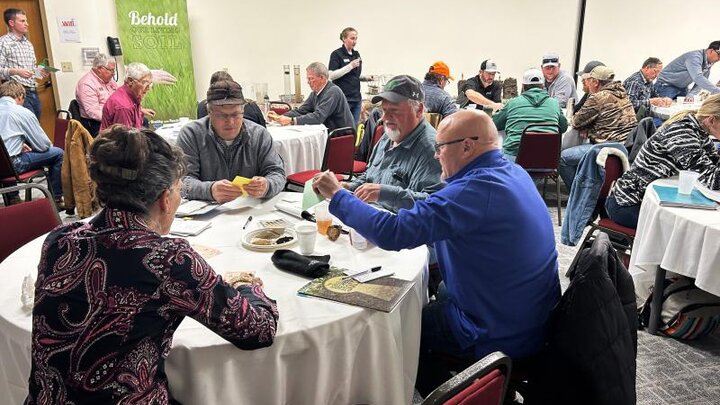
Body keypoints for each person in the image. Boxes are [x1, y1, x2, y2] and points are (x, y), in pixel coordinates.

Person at [312, 110, 560, 396]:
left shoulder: (473, 190)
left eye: (440, 147)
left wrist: (338, 195)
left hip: (497, 329)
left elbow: (393, 233)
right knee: (436, 290)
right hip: (532, 313)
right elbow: (440, 206)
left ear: (467, 145)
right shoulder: (510, 171)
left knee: (399, 332)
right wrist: (386, 193)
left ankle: (461, 397)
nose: (436, 155)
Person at [25, 125, 279, 404]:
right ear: (164, 199)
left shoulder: (59, 240)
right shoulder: (168, 259)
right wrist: (245, 285)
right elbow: (257, 330)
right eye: (179, 190)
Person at [607, 93, 720, 228]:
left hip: (648, 196)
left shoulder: (699, 132)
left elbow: (713, 166)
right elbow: (713, 180)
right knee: (685, 231)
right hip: (630, 202)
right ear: (712, 120)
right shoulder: (682, 134)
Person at [345, 75, 443, 212]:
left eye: (394, 111)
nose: (384, 118)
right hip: (371, 215)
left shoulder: (431, 149)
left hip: (399, 226)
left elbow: (434, 205)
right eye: (384, 110)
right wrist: (349, 187)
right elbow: (369, 176)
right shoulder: (389, 136)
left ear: (419, 110)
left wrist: (384, 193)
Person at [177, 80, 285, 202]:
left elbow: (277, 173)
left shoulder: (259, 135)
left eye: (235, 114)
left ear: (243, 111)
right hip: (207, 212)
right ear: (209, 113)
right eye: (221, 116)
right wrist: (210, 190)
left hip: (250, 209)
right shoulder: (191, 134)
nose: (230, 122)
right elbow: (181, 182)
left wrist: (267, 185)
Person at [559, 66, 637, 190]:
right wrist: (590, 127)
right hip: (625, 147)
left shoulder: (598, 97)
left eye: (589, 80)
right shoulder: (623, 93)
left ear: (596, 82)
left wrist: (587, 127)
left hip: (605, 148)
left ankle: (579, 194)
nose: (586, 83)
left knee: (562, 158)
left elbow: (576, 121)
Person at [0, 80, 63, 206]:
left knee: (6, 158)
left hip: (2, 165)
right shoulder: (21, 112)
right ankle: (55, 199)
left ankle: (13, 198)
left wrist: (18, 144)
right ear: (20, 97)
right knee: (58, 153)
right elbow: (43, 145)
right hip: (13, 165)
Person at [493, 68, 567, 161]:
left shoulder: (512, 103)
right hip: (547, 159)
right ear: (542, 86)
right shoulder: (554, 103)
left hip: (515, 158)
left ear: (523, 86)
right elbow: (563, 127)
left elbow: (495, 124)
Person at [268, 62, 355, 132]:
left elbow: (319, 117)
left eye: (311, 79)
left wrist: (292, 120)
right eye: (308, 79)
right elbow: (301, 111)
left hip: (342, 136)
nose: (308, 82)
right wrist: (280, 116)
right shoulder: (315, 93)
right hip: (329, 134)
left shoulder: (333, 91)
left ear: (322, 78)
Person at [0, 8, 49, 119]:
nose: (27, 24)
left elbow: (31, 70)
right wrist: (16, 71)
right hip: (15, 93)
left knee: (35, 125)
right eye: (22, 21)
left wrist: (40, 72)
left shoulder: (28, 44)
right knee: (26, 126)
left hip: (32, 91)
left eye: (26, 21)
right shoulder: (3, 43)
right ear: (11, 23)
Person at [197, 70, 266, 127]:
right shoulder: (251, 106)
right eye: (220, 115)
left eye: (235, 114)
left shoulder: (202, 106)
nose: (230, 122)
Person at [655, 41, 720, 100]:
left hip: (682, 88)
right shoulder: (694, 57)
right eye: (719, 55)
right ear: (711, 51)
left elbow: (701, 82)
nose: (719, 59)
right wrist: (717, 91)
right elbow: (698, 78)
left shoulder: (708, 64)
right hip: (665, 86)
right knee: (662, 110)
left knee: (682, 110)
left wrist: (691, 94)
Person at [100, 62, 154, 131]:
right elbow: (126, 139)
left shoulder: (130, 96)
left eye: (150, 84)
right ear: (130, 81)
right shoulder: (124, 107)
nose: (148, 88)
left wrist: (140, 112)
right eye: (145, 83)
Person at [75, 54, 118, 136]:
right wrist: (115, 119)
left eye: (114, 70)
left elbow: (119, 98)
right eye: (111, 70)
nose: (113, 74)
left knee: (141, 121)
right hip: (96, 123)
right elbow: (93, 112)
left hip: (113, 117)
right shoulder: (86, 84)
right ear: (99, 69)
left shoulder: (109, 80)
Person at [329, 27, 363, 124]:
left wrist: (365, 78)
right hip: (344, 99)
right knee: (345, 128)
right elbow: (331, 76)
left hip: (356, 98)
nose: (354, 41)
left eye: (356, 38)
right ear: (344, 38)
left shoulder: (356, 54)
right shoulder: (336, 54)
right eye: (352, 38)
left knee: (354, 128)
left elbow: (354, 76)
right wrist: (350, 66)